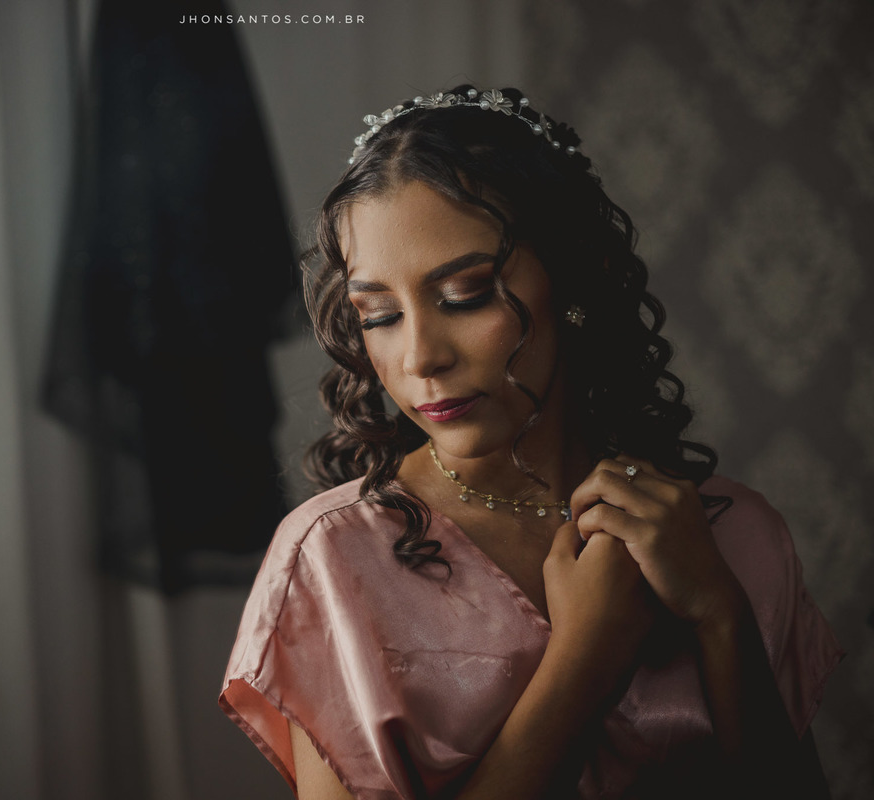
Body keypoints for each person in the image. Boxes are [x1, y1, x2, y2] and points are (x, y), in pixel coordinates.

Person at [218, 85, 843, 799]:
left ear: (576, 278)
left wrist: (720, 615)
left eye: (466, 295)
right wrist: (586, 661)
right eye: (380, 314)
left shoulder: (736, 535)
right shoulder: (331, 560)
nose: (420, 357)